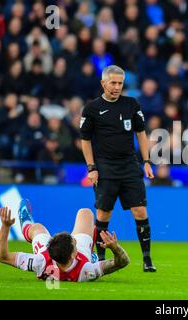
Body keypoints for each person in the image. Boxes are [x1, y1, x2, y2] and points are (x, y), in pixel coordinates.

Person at [80, 65, 156, 272]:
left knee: (140, 210)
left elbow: (141, 133)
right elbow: (85, 140)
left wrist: (147, 161)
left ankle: (147, 259)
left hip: (129, 165)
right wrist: (91, 167)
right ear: (103, 83)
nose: (116, 87)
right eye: (112, 83)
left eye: (120, 83)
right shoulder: (92, 108)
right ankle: (101, 258)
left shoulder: (131, 104)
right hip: (105, 167)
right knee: (104, 214)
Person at [0, 199, 129, 282]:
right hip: (84, 255)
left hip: (48, 258)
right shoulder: (87, 271)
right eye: (73, 243)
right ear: (73, 254)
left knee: (37, 228)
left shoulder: (39, 261)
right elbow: (123, 262)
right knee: (85, 213)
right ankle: (91, 255)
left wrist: (5, 227)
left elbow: (2, 256)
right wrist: (114, 248)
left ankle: (26, 222)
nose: (74, 240)